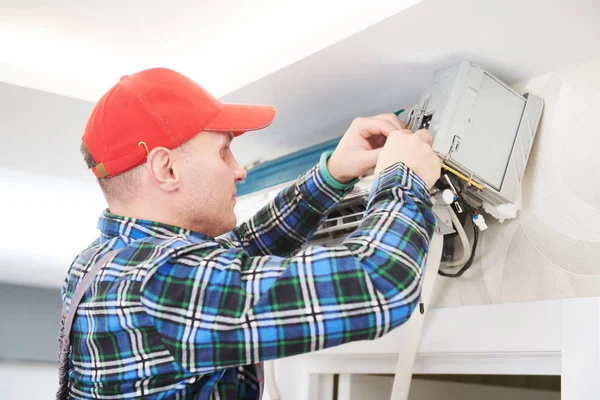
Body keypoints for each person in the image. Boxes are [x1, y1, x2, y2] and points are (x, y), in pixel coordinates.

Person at [60, 67, 440, 399]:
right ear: (166, 169)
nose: (239, 170)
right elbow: (377, 281)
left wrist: (332, 175)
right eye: (224, 151)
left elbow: (238, 250)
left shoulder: (102, 263)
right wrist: (403, 178)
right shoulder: (159, 282)